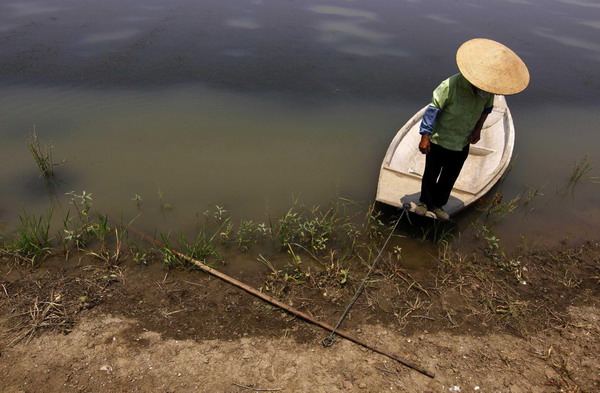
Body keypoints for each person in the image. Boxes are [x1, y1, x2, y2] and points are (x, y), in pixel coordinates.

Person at [415, 38, 529, 220]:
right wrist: (425, 136)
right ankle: (423, 202)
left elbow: (486, 110)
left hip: (462, 140)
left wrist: (478, 129)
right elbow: (433, 110)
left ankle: (437, 205)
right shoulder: (450, 86)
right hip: (440, 137)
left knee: (449, 175)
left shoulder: (487, 91)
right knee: (431, 172)